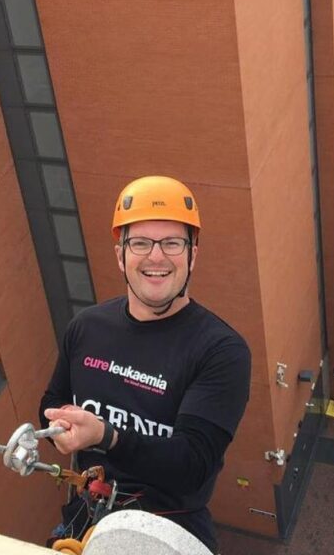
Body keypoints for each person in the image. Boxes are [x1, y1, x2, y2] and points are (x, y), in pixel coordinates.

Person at [39, 176, 252, 553]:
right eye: (140, 243)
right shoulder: (87, 328)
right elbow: (51, 402)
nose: (156, 257)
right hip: (86, 517)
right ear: (120, 255)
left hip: (170, 530)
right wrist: (58, 427)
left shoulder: (220, 351)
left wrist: (106, 436)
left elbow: (192, 465)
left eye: (172, 243)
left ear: (192, 255)